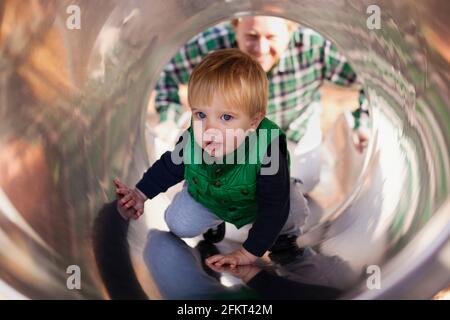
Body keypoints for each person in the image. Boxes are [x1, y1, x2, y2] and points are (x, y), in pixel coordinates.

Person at [114, 48, 309, 267]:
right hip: (210, 196)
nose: (209, 128)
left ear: (253, 122)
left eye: (226, 117)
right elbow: (169, 167)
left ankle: (283, 239)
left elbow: (274, 206)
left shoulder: (267, 149)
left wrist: (248, 253)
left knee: (291, 207)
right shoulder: (192, 140)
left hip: (259, 203)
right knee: (177, 223)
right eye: (200, 114)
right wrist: (140, 193)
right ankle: (213, 224)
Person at [153, 16, 370, 194]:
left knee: (300, 184)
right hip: (232, 134)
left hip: (293, 127)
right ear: (236, 28)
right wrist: (168, 119)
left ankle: (321, 157)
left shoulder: (314, 47)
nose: (261, 48)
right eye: (252, 36)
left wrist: (363, 122)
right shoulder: (212, 44)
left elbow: (371, 81)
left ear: (290, 30)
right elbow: (168, 72)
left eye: (271, 37)